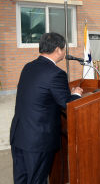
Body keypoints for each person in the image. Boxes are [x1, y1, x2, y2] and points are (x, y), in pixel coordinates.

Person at [10, 32, 83, 184]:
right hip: (38, 140)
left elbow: (39, 94)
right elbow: (67, 104)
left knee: (22, 179)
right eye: (64, 49)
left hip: (19, 135)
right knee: (37, 180)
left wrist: (63, 93)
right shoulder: (56, 73)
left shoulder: (28, 67)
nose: (64, 52)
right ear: (58, 49)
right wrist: (75, 95)